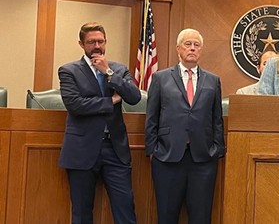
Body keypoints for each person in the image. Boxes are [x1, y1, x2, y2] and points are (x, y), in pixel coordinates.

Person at [58, 22, 140, 224]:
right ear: (81, 44)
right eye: (91, 42)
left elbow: (134, 97)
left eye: (100, 41)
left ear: (106, 42)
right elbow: (75, 105)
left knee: (125, 210)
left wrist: (108, 72)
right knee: (82, 214)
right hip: (82, 150)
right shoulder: (69, 70)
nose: (97, 46)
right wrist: (110, 101)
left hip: (115, 149)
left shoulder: (118, 69)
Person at [145, 28, 225, 224]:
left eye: (196, 45)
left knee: (201, 217)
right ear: (178, 49)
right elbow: (152, 117)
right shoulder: (161, 78)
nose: (192, 48)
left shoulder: (213, 81)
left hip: (203, 159)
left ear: (201, 50)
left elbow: (216, 119)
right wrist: (152, 150)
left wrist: (217, 149)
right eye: (188, 44)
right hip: (167, 158)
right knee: (166, 215)